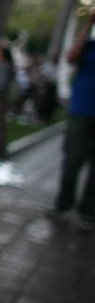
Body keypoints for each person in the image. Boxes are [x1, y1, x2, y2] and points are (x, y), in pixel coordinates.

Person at [46, 13, 95, 228]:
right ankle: (64, 204)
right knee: (72, 160)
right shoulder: (89, 46)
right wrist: (88, 24)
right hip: (82, 111)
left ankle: (88, 210)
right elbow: (71, 57)